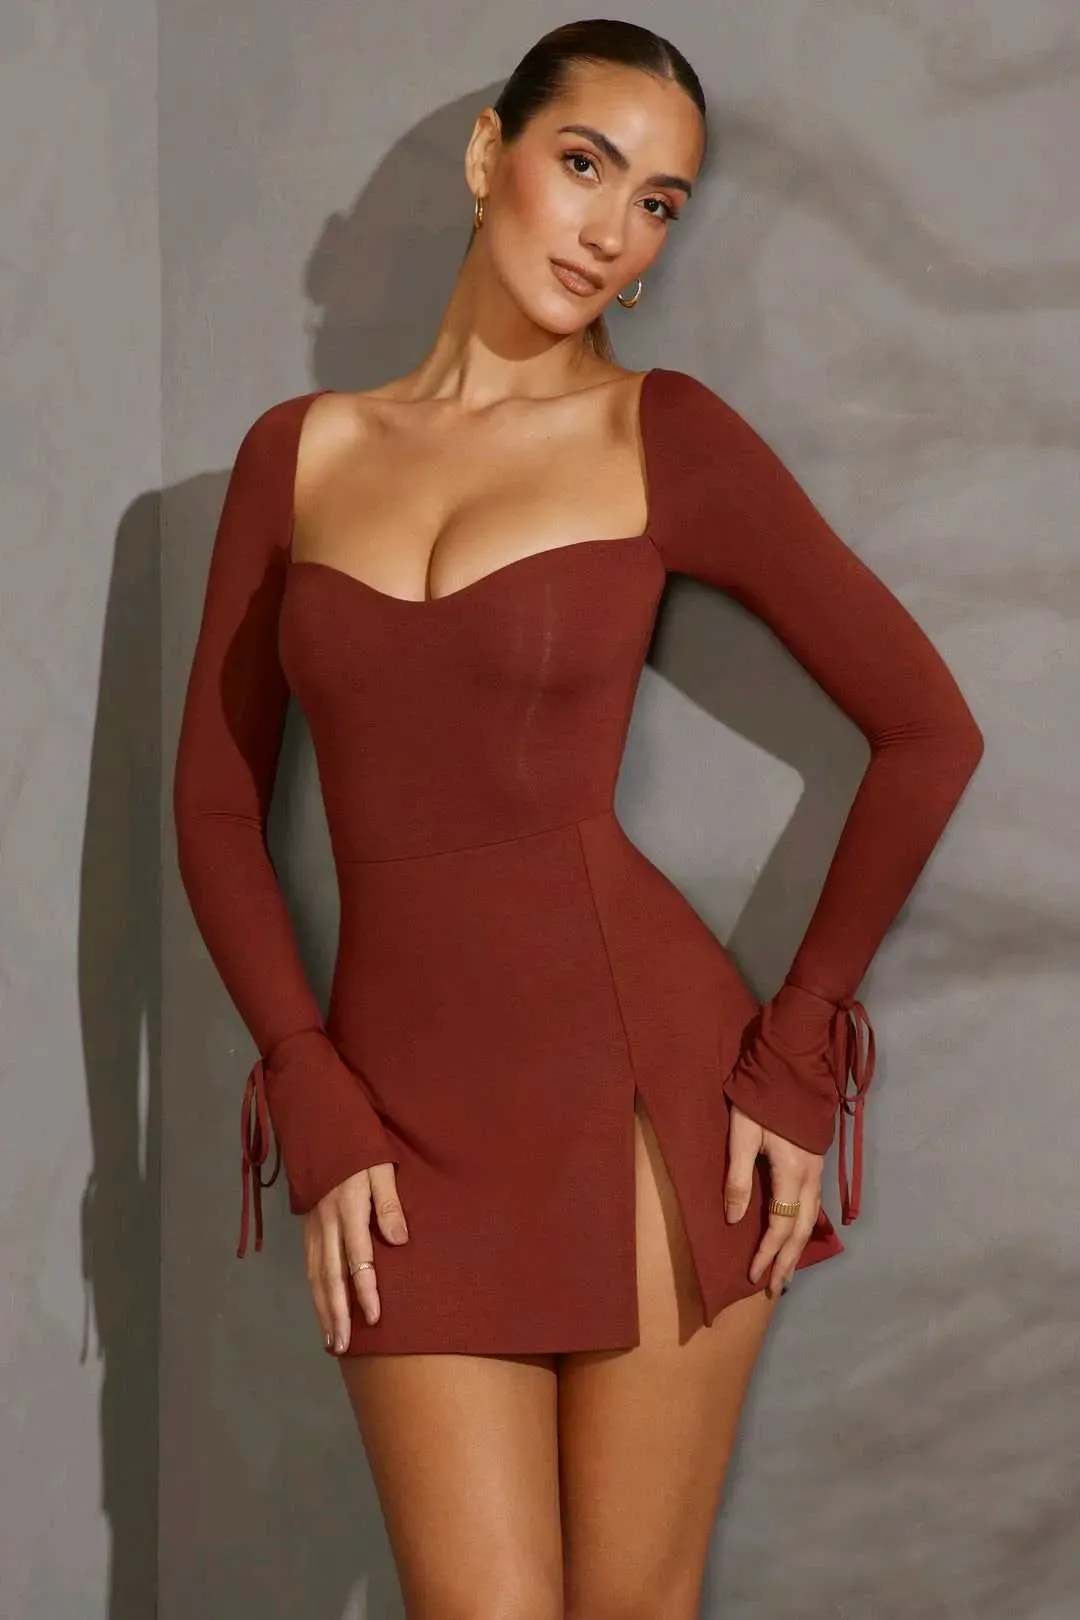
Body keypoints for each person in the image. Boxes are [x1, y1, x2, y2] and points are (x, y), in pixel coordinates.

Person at [172, 17, 985, 1619]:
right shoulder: (298, 455)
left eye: (659, 202)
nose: (613, 229)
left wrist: (798, 1053)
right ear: (493, 155)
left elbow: (927, 732)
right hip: (395, 1124)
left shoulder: (658, 434)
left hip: (641, 1100)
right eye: (587, 164)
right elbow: (211, 800)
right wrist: (305, 1080)